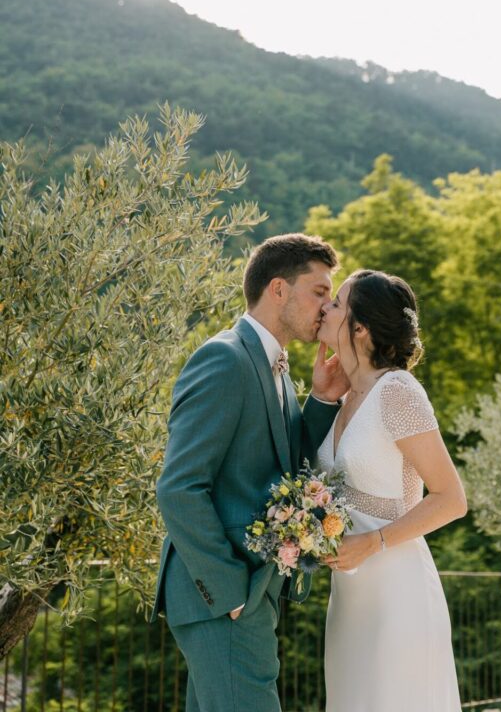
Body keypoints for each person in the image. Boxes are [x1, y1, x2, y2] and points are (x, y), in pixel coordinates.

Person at [151, 233, 349, 712]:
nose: (327, 306)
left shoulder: (273, 366)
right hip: (223, 597)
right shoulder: (225, 358)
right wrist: (229, 591)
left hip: (247, 596)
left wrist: (322, 399)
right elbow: (179, 487)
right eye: (319, 292)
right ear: (278, 289)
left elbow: (283, 466)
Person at [317, 268, 467, 712]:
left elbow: (451, 499)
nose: (326, 308)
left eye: (337, 303)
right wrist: (321, 396)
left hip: (398, 590)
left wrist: (373, 542)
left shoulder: (397, 391)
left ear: (360, 328)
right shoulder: (345, 398)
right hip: (349, 599)